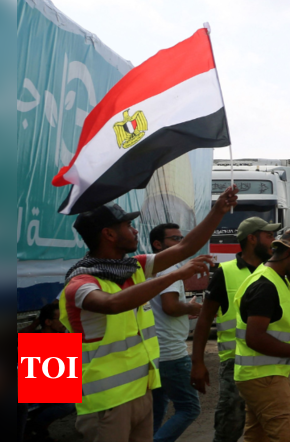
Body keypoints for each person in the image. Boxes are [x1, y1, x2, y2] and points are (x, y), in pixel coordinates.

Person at [59, 188, 238, 442]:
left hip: (141, 392)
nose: (135, 230)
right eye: (127, 225)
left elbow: (186, 247)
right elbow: (112, 304)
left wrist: (218, 211)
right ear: (108, 234)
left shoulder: (132, 268)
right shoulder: (80, 283)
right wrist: (175, 275)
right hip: (106, 404)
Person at [190, 174, 290, 442]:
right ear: (251, 239)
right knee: (229, 429)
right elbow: (205, 320)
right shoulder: (245, 276)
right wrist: (197, 362)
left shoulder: (270, 273)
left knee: (253, 433)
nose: (273, 239)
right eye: (268, 234)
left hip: (257, 366)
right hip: (240, 365)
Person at [233, 229, 290, 442]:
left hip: (259, 375)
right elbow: (254, 337)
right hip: (264, 378)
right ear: (289, 253)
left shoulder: (279, 280)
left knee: (257, 437)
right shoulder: (265, 285)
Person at [148, 224, 203, 442]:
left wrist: (183, 310)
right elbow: (170, 306)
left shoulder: (149, 269)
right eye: (174, 239)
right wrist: (190, 308)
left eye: (181, 237)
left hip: (154, 350)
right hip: (171, 351)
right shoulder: (169, 269)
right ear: (158, 244)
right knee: (189, 408)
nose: (180, 243)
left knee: (156, 407)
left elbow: (163, 308)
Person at [20, 302, 77, 442]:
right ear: (48, 322)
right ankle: (32, 428)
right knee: (68, 403)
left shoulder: (63, 339)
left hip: (49, 388)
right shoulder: (34, 340)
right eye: (61, 318)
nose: (65, 322)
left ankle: (37, 428)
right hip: (34, 391)